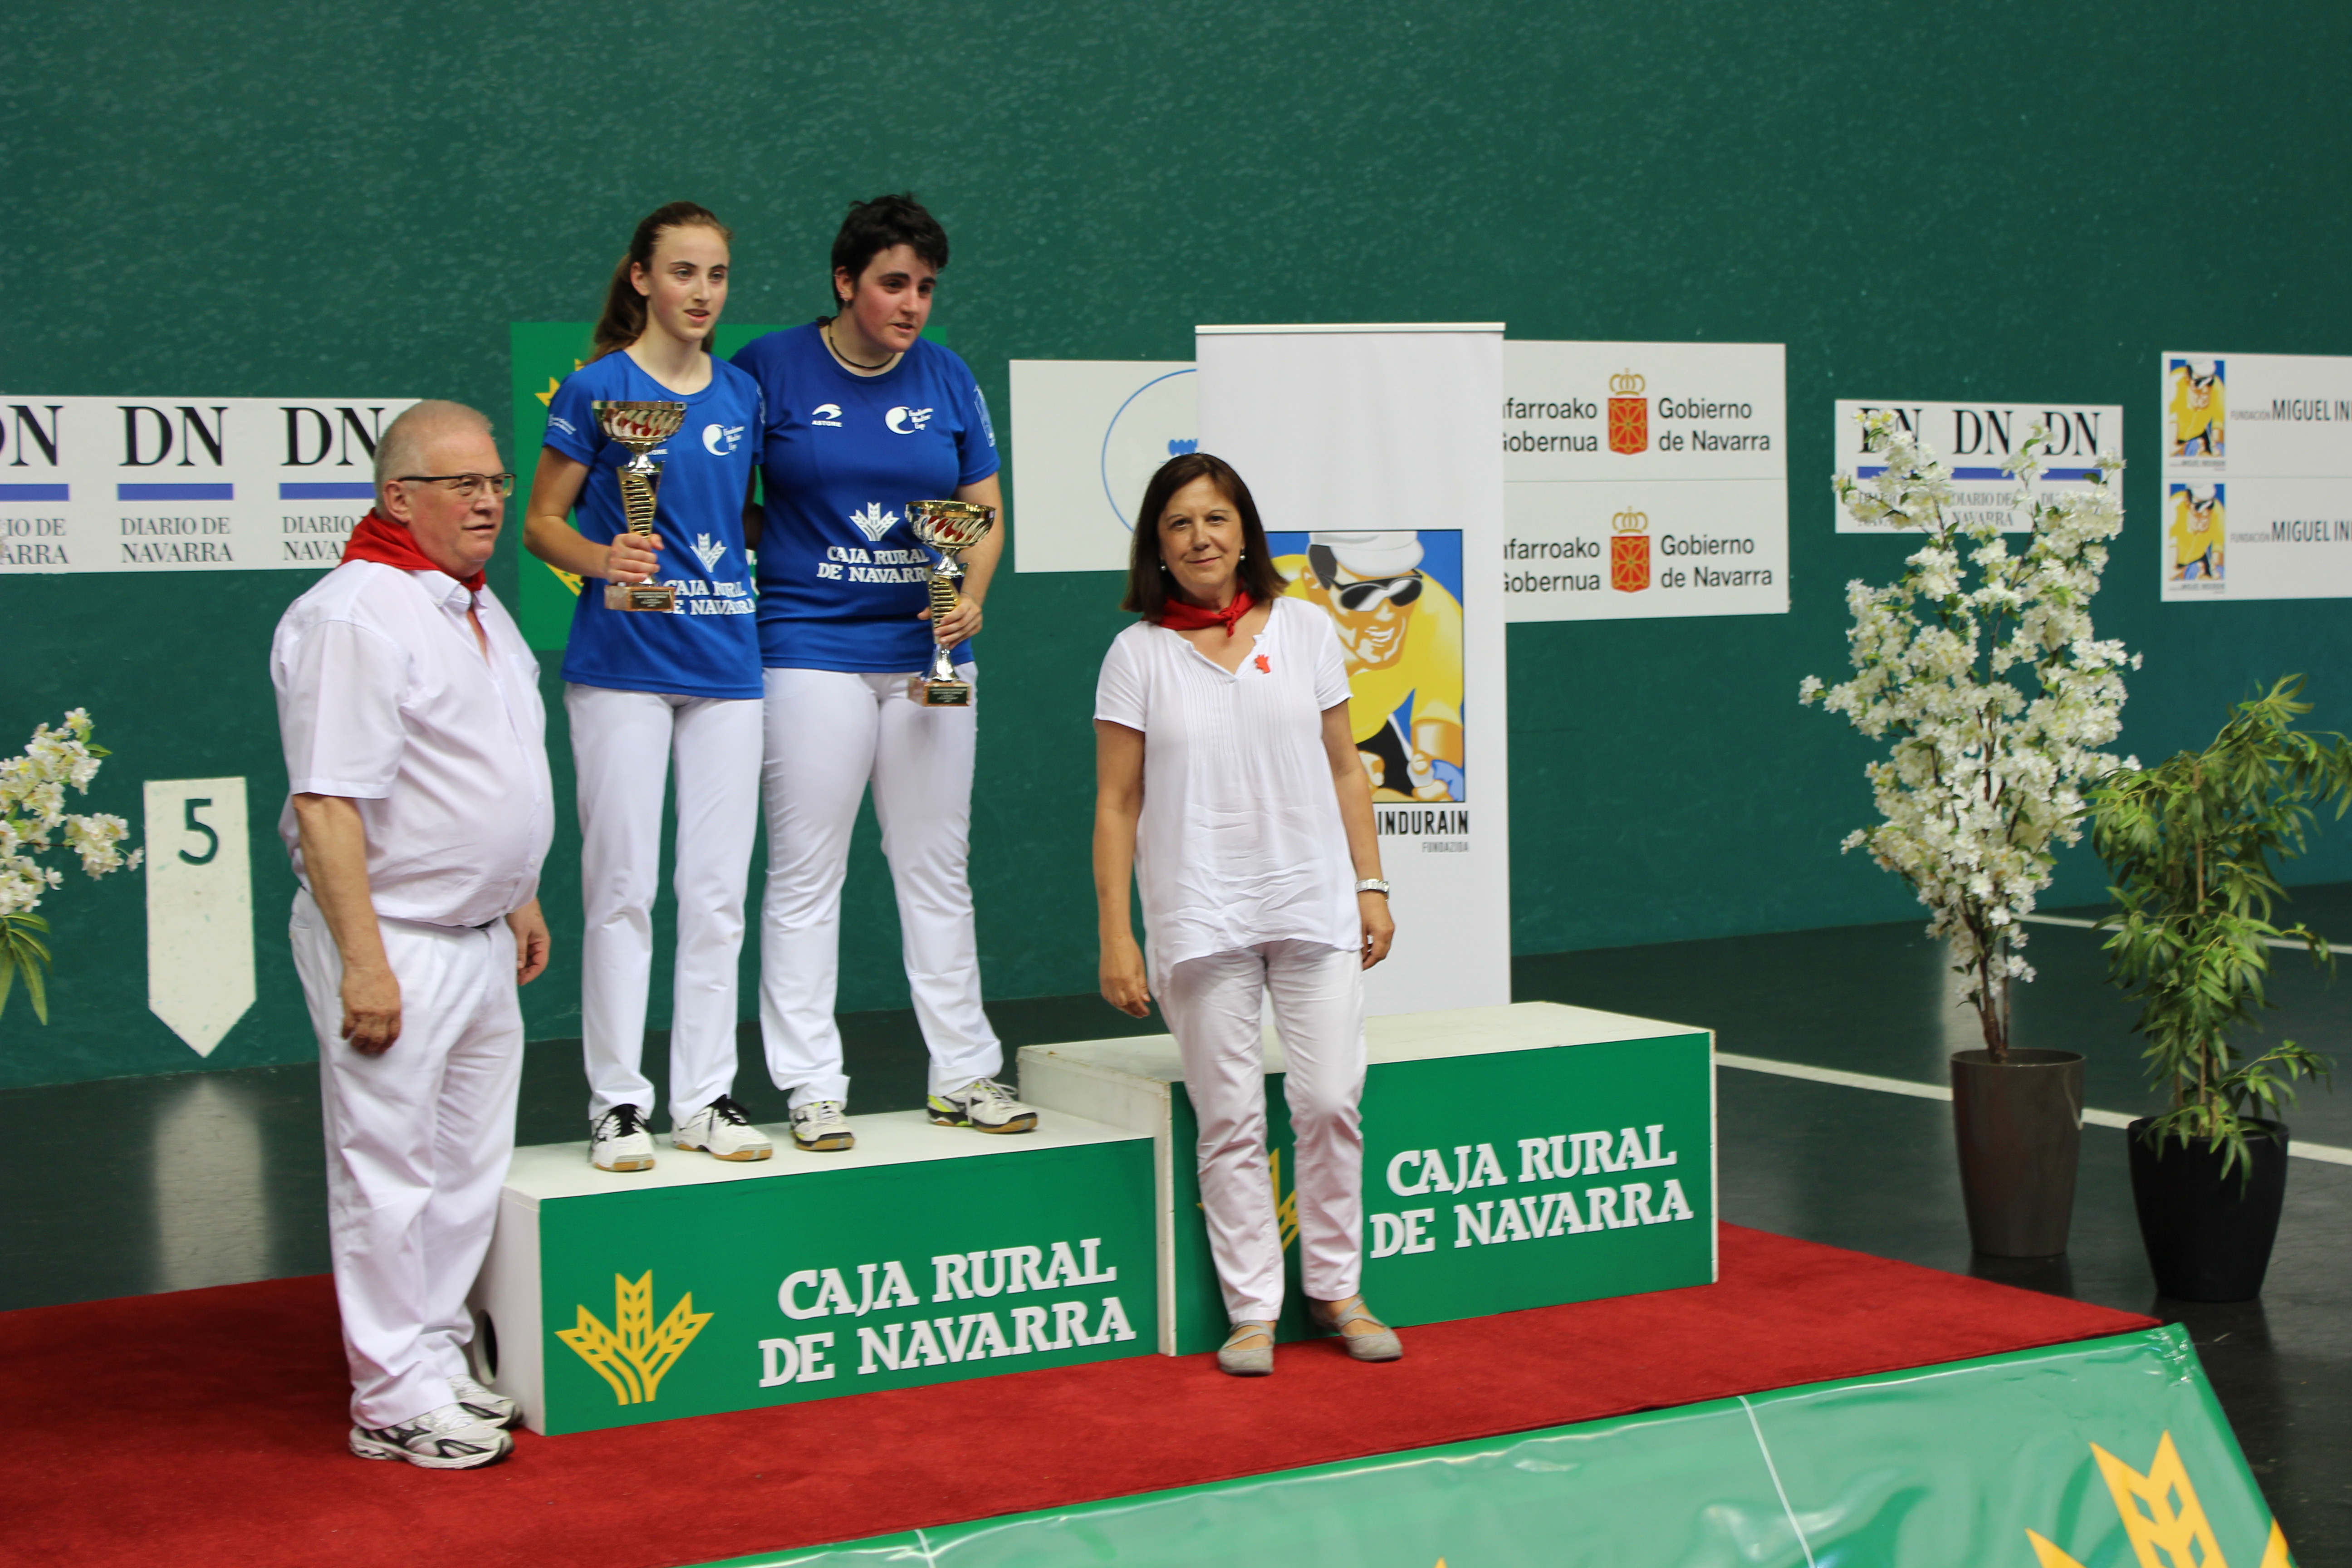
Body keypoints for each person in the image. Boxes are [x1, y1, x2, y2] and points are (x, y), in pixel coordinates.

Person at [271, 400, 554, 1468]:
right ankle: (389, 1393)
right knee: (387, 1168)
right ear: (399, 497)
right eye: (461, 485)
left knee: (464, 1167)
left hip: (479, 935)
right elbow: (331, 804)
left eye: (495, 481)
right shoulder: (354, 614)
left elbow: (487, 771)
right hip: (392, 937)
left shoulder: (478, 609)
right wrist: (363, 961)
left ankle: (434, 1356)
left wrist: (517, 892)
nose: (489, 500)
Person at [731, 193, 1034, 1152]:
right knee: (806, 875)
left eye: (927, 288)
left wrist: (967, 598)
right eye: (894, 284)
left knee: (937, 869)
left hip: (928, 659)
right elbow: (717, 498)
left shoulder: (947, 379)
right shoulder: (769, 368)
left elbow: (981, 510)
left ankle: (965, 1073)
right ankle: (813, 1086)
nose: (912, 304)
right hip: (808, 646)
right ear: (845, 281)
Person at [1091, 452, 1404, 1377]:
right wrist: (1118, 934)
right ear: (1158, 541)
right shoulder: (1136, 654)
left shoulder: (1306, 630)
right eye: (1181, 523)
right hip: (1199, 912)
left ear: (1245, 534)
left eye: (1217, 520)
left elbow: (1348, 765)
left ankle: (1338, 1290)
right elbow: (1116, 803)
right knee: (1226, 1118)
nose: (1201, 539)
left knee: (1329, 1102)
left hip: (1311, 899)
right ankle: (1252, 1312)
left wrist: (1372, 884)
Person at [524, 201, 769, 1173]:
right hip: (620, 670)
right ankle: (618, 1105)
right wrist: (605, 558)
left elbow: (750, 520)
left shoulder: (744, 395)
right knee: (622, 888)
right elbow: (541, 522)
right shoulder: (595, 389)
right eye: (682, 274)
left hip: (727, 670)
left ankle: (705, 1098)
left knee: (716, 898)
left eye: (715, 275)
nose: (701, 293)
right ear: (641, 280)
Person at [1275, 531, 1465, 803]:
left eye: (1404, 592)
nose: (1388, 615)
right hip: (1283, 732)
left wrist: (1435, 776)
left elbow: (1438, 720)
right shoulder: (1269, 597)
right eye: (1362, 596)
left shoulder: (1437, 616)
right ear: (1316, 587)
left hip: (1369, 733)